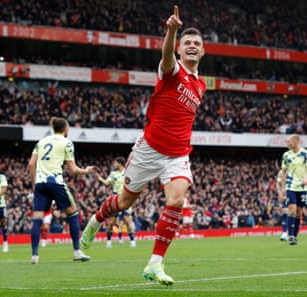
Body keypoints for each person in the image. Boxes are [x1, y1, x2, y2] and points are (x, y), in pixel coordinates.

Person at [80, 5, 206, 286]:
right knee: (124, 203)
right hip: (149, 149)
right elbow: (166, 56)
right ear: (180, 49)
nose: (192, 47)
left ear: (203, 51)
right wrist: (172, 31)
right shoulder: (171, 70)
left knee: (176, 200)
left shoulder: (201, 86)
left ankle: (155, 263)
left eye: (197, 44)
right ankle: (97, 218)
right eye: (187, 43)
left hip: (178, 154)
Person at [28, 116, 95, 264]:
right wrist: (85, 171)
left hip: (40, 183)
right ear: (65, 129)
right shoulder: (67, 143)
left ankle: (34, 255)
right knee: (73, 213)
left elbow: (31, 164)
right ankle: (77, 251)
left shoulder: (41, 142)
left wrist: (35, 184)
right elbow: (72, 170)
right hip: (56, 182)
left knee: (37, 218)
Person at [95, 156, 136, 248]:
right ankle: (109, 241)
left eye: (115, 163)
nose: (114, 164)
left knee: (127, 220)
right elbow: (106, 183)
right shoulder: (113, 174)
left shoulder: (127, 172)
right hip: (116, 199)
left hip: (126, 198)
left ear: (120, 163)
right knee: (112, 222)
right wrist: (99, 178)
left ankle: (132, 241)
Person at [280, 134, 307, 245]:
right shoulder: (286, 155)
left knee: (299, 212)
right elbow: (284, 172)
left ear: (296, 142)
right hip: (290, 186)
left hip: (302, 187)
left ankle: (294, 236)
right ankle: (290, 236)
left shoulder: (306, 153)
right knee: (292, 209)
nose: (287, 144)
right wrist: (283, 188)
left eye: (289, 142)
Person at [276, 169, 289, 241]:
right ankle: (284, 233)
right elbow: (278, 184)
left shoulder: (294, 171)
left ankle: (290, 233)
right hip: (284, 196)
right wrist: (280, 194)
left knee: (292, 214)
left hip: (293, 194)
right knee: (284, 212)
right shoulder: (281, 172)